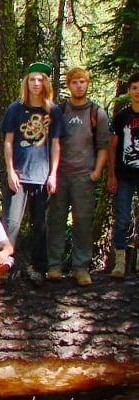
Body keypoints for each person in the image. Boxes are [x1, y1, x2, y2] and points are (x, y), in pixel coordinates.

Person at [1, 62, 64, 286]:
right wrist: (10, 172)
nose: (36, 83)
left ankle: (38, 268)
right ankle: (3, 265)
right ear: (26, 82)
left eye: (40, 80)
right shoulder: (15, 109)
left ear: (45, 83)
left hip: (43, 177)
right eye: (32, 79)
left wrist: (53, 174)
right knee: (11, 223)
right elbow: (8, 142)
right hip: (18, 175)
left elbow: (55, 145)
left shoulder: (53, 111)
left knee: (41, 225)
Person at [46, 67, 110, 286]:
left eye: (83, 81)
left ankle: (80, 267)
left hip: (84, 176)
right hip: (61, 175)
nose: (79, 85)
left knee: (82, 222)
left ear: (87, 84)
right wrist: (52, 173)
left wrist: (96, 173)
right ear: (69, 85)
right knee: (55, 220)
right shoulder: (60, 110)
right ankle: (54, 265)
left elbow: (103, 146)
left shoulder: (97, 113)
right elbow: (51, 142)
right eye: (75, 82)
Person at [107, 71, 139, 279]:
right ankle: (120, 263)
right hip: (124, 174)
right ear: (129, 91)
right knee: (123, 218)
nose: (138, 92)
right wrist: (111, 174)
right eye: (135, 88)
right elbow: (112, 147)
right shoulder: (121, 117)